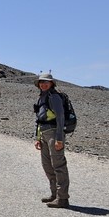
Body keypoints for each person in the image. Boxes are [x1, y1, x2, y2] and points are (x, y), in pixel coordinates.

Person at [33, 73, 70, 208]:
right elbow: (39, 120)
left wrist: (59, 139)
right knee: (47, 166)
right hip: (44, 134)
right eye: (41, 82)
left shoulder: (54, 97)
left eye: (46, 82)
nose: (43, 84)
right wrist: (37, 138)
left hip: (54, 133)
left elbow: (60, 117)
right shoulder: (42, 98)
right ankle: (54, 194)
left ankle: (63, 198)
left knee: (58, 165)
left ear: (51, 84)